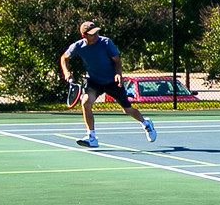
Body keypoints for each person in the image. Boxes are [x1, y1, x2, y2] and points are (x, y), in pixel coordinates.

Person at [60, 20, 156, 149]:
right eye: (92, 34)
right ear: (84, 36)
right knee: (85, 102)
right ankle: (91, 137)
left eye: (96, 32)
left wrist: (118, 74)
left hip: (111, 80)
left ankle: (146, 123)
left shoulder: (106, 43)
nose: (96, 35)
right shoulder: (78, 46)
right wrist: (66, 72)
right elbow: (64, 58)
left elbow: (117, 60)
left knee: (127, 110)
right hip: (93, 80)